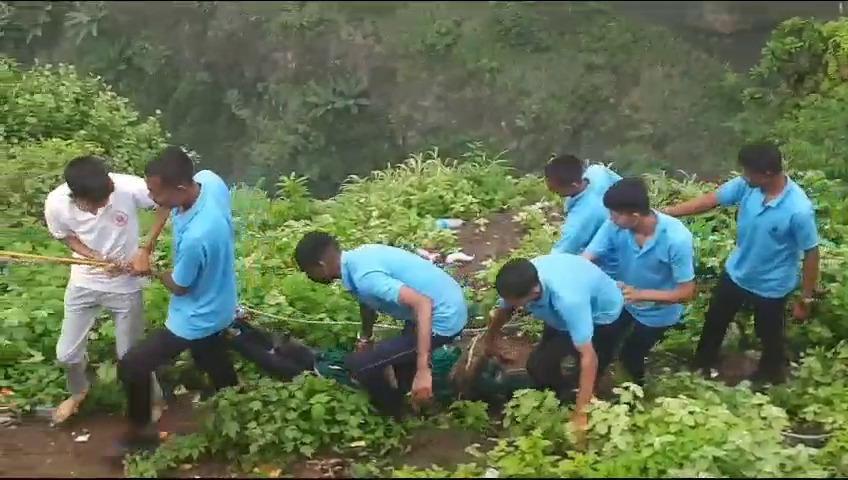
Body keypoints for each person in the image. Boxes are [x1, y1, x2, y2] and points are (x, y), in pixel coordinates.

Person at [115, 146, 239, 453]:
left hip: (195, 314)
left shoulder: (199, 235)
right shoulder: (208, 181)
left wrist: (151, 269)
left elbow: (180, 287)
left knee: (133, 365)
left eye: (156, 193)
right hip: (221, 298)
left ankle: (140, 434)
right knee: (210, 355)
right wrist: (147, 246)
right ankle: (234, 402)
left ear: (181, 188)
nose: (153, 199)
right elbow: (167, 206)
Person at [663, 143, 820, 384]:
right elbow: (711, 200)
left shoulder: (799, 210)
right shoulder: (747, 187)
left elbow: (811, 253)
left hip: (772, 284)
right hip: (737, 271)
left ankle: (769, 376)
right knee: (715, 320)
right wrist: (669, 212)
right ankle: (702, 364)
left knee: (769, 334)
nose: (744, 176)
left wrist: (806, 298)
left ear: (767, 174)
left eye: (749, 172)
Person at [43, 155, 169, 424]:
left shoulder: (128, 187)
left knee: (131, 357)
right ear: (75, 197)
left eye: (106, 200)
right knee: (66, 354)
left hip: (125, 286)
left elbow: (166, 203)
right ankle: (79, 391)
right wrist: (93, 257)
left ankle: (153, 399)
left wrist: (145, 249)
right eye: (95, 204)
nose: (102, 208)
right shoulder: (56, 204)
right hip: (83, 283)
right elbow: (66, 236)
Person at [294, 233, 468, 418]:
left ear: (320, 266)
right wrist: (366, 337)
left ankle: (396, 413)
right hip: (440, 305)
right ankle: (417, 399)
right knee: (400, 365)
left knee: (362, 365)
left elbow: (422, 303)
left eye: (308, 272)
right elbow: (368, 301)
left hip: (443, 318)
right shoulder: (357, 260)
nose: (310, 277)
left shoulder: (365, 277)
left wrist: (423, 369)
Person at [483, 254, 626, 432]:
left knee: (585, 368)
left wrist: (581, 414)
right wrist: (489, 342)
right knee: (540, 365)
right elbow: (504, 310)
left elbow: (589, 356)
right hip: (560, 315)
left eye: (515, 302)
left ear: (534, 292)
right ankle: (563, 395)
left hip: (602, 316)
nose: (512, 305)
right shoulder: (521, 281)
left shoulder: (569, 301)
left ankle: (586, 407)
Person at [583, 177, 696, 385]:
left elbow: (686, 293)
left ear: (634, 216)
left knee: (631, 355)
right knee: (602, 340)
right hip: (624, 300)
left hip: (658, 312)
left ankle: (635, 394)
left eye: (615, 214)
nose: (610, 218)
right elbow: (589, 255)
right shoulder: (614, 226)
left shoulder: (676, 239)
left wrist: (640, 295)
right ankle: (592, 382)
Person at [545, 154, 622, 277]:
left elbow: (558, 256)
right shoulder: (597, 171)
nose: (549, 186)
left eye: (554, 186)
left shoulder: (580, 220)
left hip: (613, 261)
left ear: (574, 185)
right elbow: (624, 184)